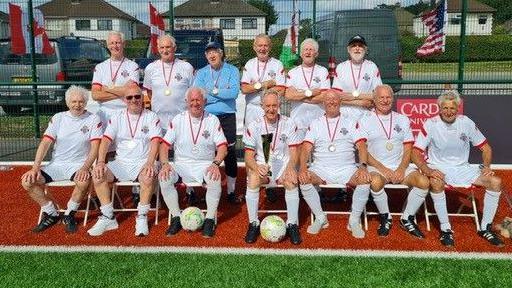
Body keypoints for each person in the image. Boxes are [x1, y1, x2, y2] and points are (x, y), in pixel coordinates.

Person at [412, 90, 504, 247]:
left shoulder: (466, 122)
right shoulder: (431, 124)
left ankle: (485, 228)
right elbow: (415, 152)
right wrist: (427, 170)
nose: (448, 112)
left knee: (495, 182)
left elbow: (486, 148)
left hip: (463, 168)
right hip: (438, 167)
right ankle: (445, 229)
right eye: (445, 108)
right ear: (439, 108)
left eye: (452, 108)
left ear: (458, 108)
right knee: (436, 183)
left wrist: (486, 167)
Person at [21, 86, 102, 233]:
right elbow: (45, 143)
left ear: (86, 102)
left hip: (78, 165)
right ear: (67, 102)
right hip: (56, 165)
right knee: (27, 181)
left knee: (84, 181)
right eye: (74, 101)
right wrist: (35, 167)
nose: (77, 104)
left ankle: (69, 214)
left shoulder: (93, 119)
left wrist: (85, 168)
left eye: (81, 101)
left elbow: (95, 147)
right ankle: (51, 212)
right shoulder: (58, 118)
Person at [88, 86, 161, 237]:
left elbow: (155, 142)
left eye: (137, 96)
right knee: (98, 174)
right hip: (121, 163)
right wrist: (101, 161)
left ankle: (141, 217)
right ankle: (108, 217)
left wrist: (149, 162)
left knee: (148, 175)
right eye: (129, 97)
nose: (134, 100)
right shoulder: (116, 117)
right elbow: (106, 141)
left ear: (142, 98)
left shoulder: (152, 116)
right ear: (124, 100)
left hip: (143, 162)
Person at [358, 85, 430, 237]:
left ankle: (407, 218)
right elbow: (363, 149)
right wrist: (384, 169)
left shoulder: (402, 119)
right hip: (377, 167)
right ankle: (386, 217)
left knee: (424, 182)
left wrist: (401, 169)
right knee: (375, 182)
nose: (385, 100)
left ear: (393, 98)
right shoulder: (365, 119)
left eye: (388, 97)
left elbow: (408, 147)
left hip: (401, 168)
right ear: (374, 99)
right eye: (381, 97)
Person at [298, 90, 372, 239]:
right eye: (328, 100)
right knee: (304, 179)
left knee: (364, 180)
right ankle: (320, 217)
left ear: (340, 102)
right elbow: (306, 148)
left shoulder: (351, 122)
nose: (332, 102)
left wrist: (363, 166)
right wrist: (303, 168)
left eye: (335, 99)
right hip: (321, 168)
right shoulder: (316, 123)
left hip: (347, 168)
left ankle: (354, 220)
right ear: (323, 103)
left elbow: (362, 147)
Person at [158, 87, 228, 238]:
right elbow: (164, 146)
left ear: (205, 101)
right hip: (181, 164)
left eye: (198, 100)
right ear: (186, 102)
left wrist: (215, 164)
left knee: (215, 178)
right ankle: (176, 217)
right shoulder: (178, 119)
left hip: (205, 164)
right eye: (192, 100)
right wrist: (165, 164)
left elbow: (223, 147)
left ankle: (209, 219)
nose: (195, 103)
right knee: (164, 177)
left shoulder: (212, 120)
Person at [243, 90, 303, 244]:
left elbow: (294, 151)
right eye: (268, 106)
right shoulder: (254, 125)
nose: (271, 109)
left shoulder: (289, 123)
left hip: (283, 165)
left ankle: (292, 224)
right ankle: (253, 223)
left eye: (274, 105)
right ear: (262, 106)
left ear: (279, 105)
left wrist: (290, 168)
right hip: (263, 166)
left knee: (291, 180)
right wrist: (256, 167)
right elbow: (248, 157)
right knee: (254, 179)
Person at [193, 42, 240, 204]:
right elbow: (198, 96)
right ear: (206, 56)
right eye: (208, 53)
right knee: (208, 151)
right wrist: (221, 93)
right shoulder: (201, 73)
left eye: (214, 52)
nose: (211, 55)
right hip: (208, 117)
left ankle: (231, 191)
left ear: (221, 54)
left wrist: (212, 92)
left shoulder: (232, 70)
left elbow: (233, 93)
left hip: (227, 116)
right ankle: (209, 188)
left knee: (230, 152)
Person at [142, 34, 195, 126]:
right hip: (158, 121)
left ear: (174, 48)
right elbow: (150, 92)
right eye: (162, 47)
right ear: (158, 49)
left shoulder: (187, 67)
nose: (165, 50)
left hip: (182, 121)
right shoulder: (150, 68)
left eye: (168, 47)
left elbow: (192, 92)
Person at [284, 38, 330, 140]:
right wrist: (312, 92)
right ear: (301, 53)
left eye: (311, 50)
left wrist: (299, 95)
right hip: (298, 122)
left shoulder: (323, 71)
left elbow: (324, 97)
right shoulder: (293, 73)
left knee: (318, 154)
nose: (308, 52)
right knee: (300, 154)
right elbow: (289, 95)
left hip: (318, 121)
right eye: (305, 50)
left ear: (316, 54)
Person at [91, 31, 140, 124]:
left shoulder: (132, 66)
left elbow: (132, 92)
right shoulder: (100, 67)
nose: (115, 46)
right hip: (104, 113)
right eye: (112, 43)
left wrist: (107, 89)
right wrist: (123, 90)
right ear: (108, 45)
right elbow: (95, 95)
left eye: (117, 42)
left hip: (125, 112)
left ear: (124, 44)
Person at [331, 34, 382, 121]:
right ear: (348, 50)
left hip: (367, 115)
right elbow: (336, 96)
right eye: (353, 46)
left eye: (360, 46)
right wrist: (360, 102)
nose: (357, 48)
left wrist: (349, 96)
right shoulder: (341, 67)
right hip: (345, 116)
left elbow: (378, 95)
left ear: (365, 50)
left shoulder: (372, 67)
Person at [240, 34, 286, 125]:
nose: (263, 48)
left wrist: (254, 87)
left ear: (270, 47)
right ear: (254, 47)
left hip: (270, 110)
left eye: (266, 45)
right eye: (260, 45)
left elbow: (281, 89)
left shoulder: (277, 64)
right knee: (252, 138)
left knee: (269, 138)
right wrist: (265, 84)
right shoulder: (250, 64)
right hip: (252, 109)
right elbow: (244, 88)